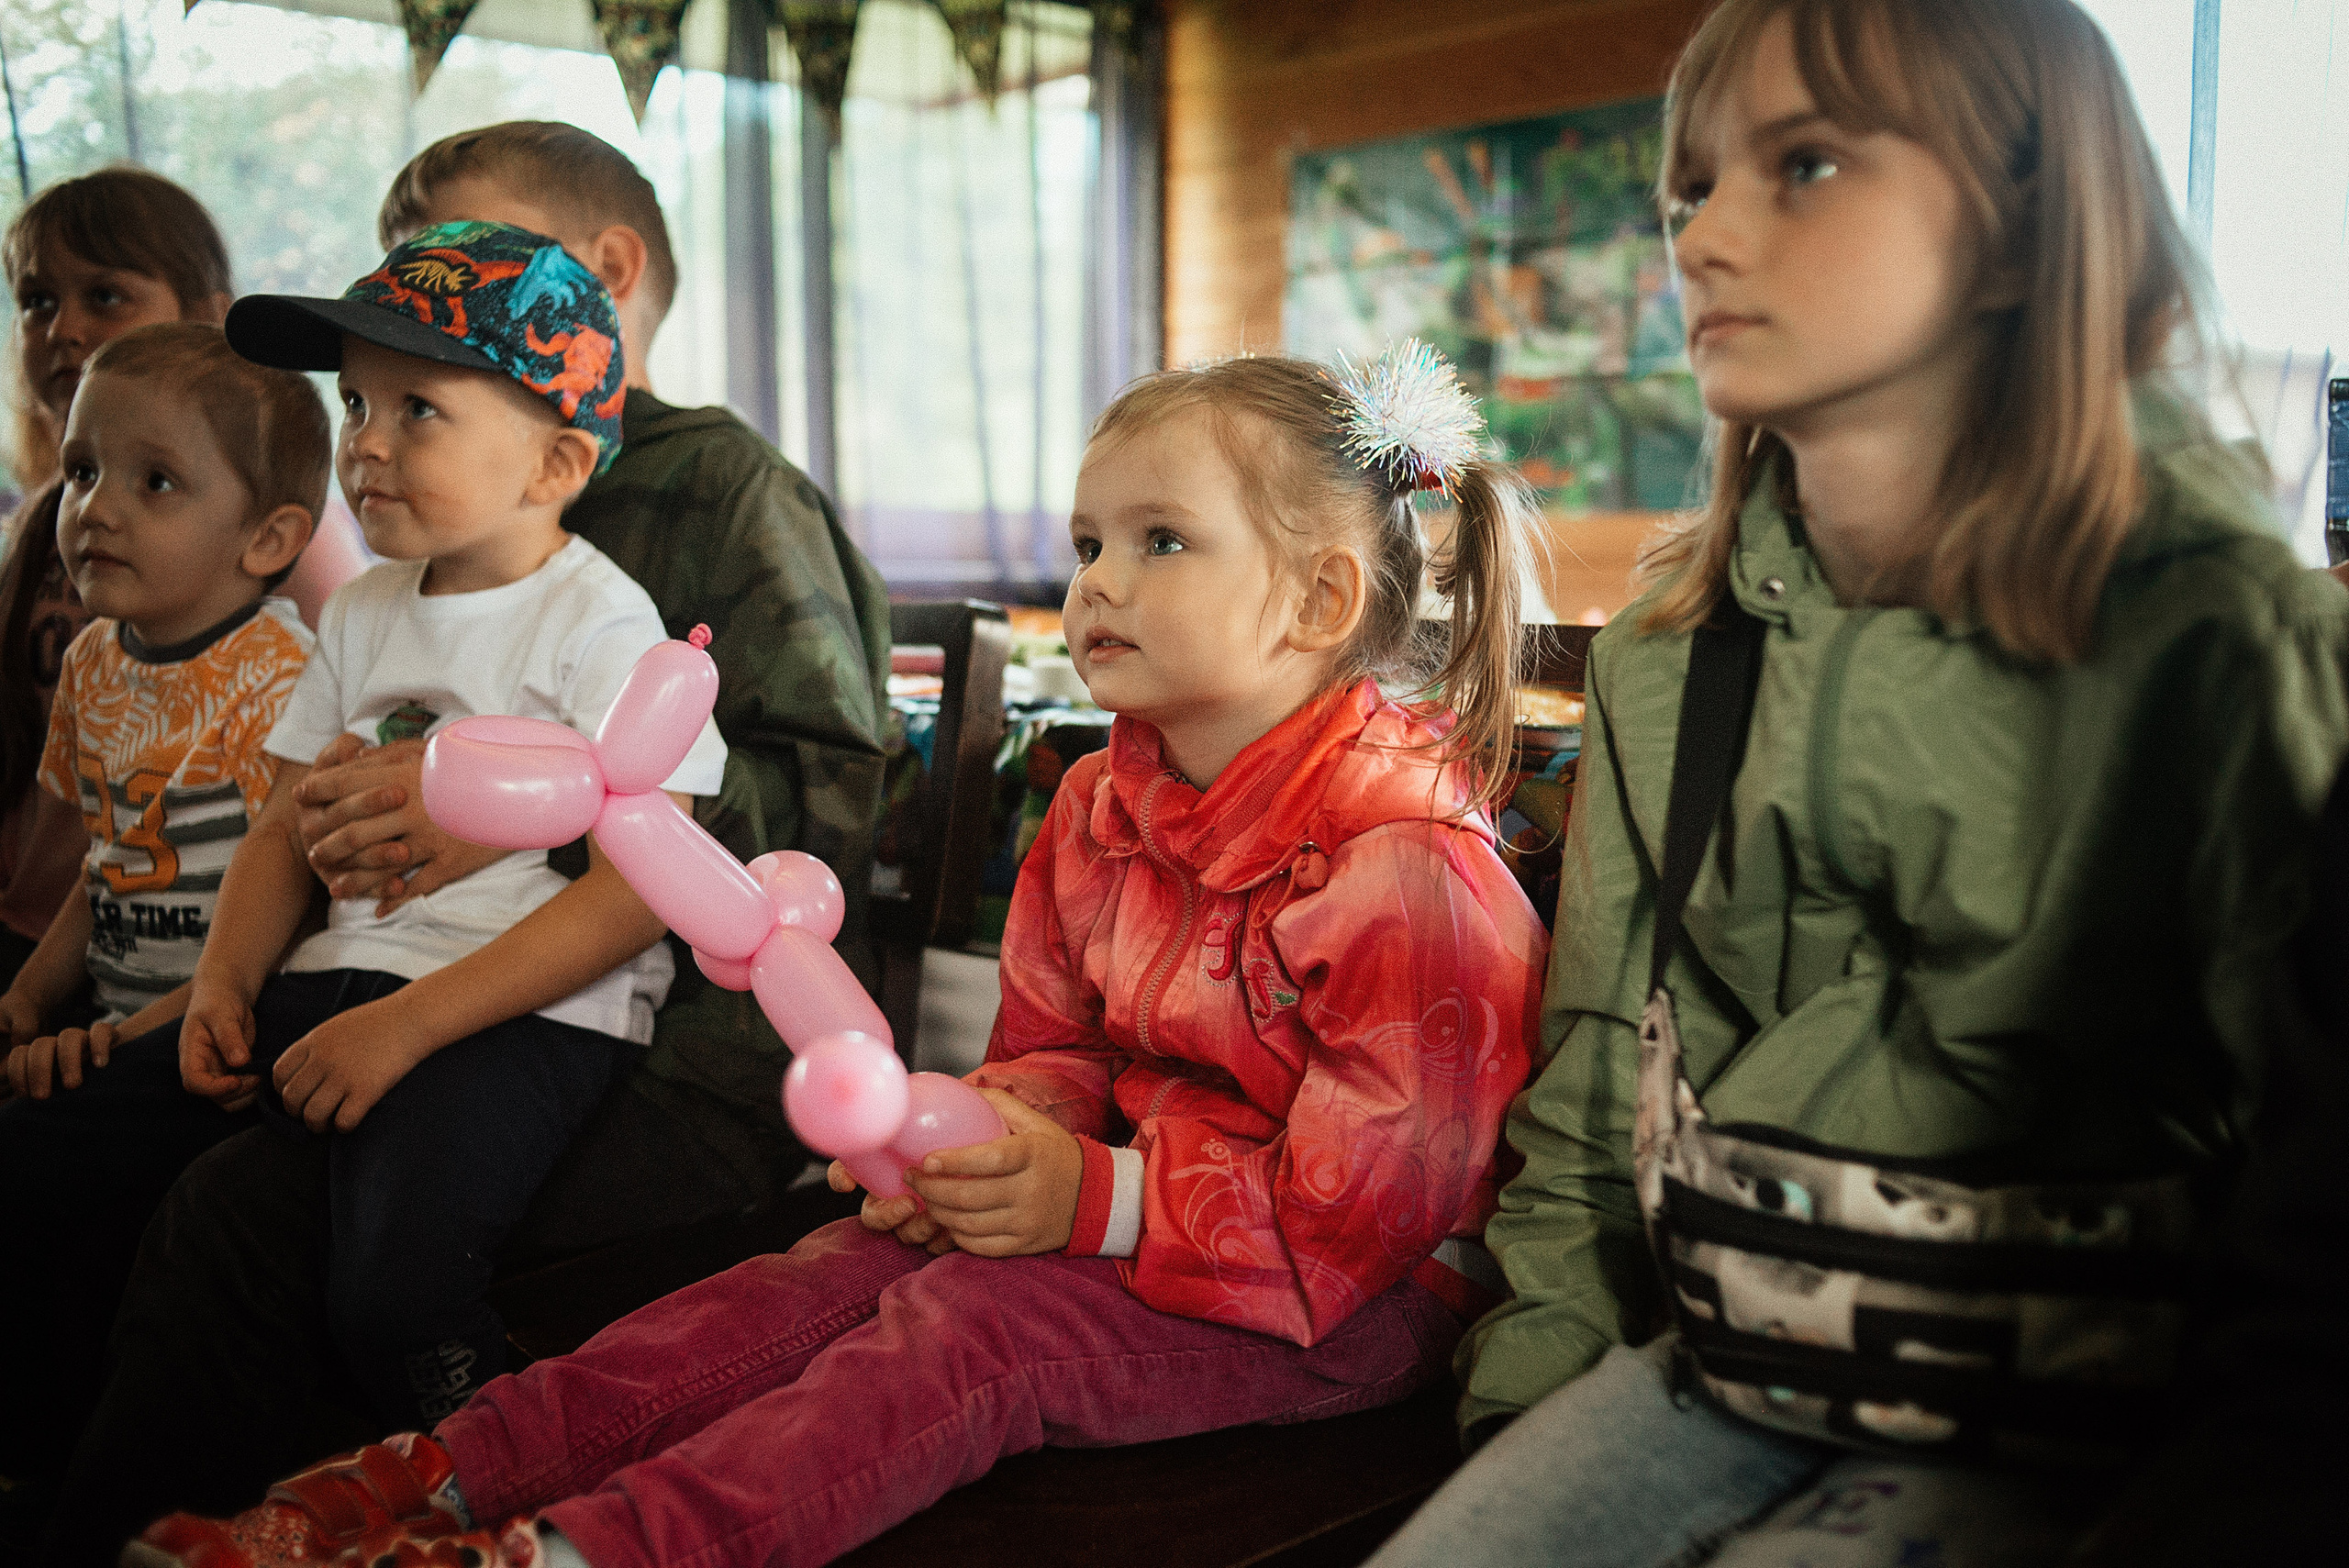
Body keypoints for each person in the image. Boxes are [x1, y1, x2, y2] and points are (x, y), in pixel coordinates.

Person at [131, 342, 1551, 1568]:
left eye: (1159, 541)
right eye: (1088, 543)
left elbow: (1356, 1218)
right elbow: (1053, 1052)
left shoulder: (1405, 865)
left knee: (970, 1333)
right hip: (1122, 1213)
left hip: (1343, 1301)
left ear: (1315, 601)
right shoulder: (1097, 800)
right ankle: (436, 1476)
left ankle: (583, 1549)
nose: (1101, 580)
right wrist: (994, 1150)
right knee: (821, 1270)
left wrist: (1088, 1198)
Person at [1363, 3, 2349, 1567]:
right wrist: (1523, 1405)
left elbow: (2315, 1186)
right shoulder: (1671, 655)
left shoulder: (2222, 633)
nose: (1703, 237)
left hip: (2095, 1406)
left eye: (1806, 165)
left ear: (2027, 231)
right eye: (1688, 189)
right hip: (1736, 1347)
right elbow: (1611, 1057)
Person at [32, 125, 892, 1565]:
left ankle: (447, 1485)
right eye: (357, 403)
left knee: (255, 1227)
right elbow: (287, 827)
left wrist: (471, 810)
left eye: (411, 403)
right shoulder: (377, 601)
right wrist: (217, 984)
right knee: (75, 1156)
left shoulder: (676, 528)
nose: (368, 444)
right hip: (363, 975)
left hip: (609, 1030)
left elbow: (731, 850)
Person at [0, 321, 324, 1490]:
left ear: (269, 538)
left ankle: (61, 1472)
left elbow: (279, 924)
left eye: (156, 481)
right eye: (83, 470)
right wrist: (35, 992)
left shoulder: (283, 677)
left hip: (218, 1032)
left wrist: (107, 1042)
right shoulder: (94, 664)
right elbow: (105, 859)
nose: (96, 508)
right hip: (112, 1015)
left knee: (44, 1169)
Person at [1, 170, 233, 998]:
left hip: (168, 957)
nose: (63, 328)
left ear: (208, 315)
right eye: (35, 301)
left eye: (105, 295)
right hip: (32, 929)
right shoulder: (39, 525)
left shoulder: (267, 528)